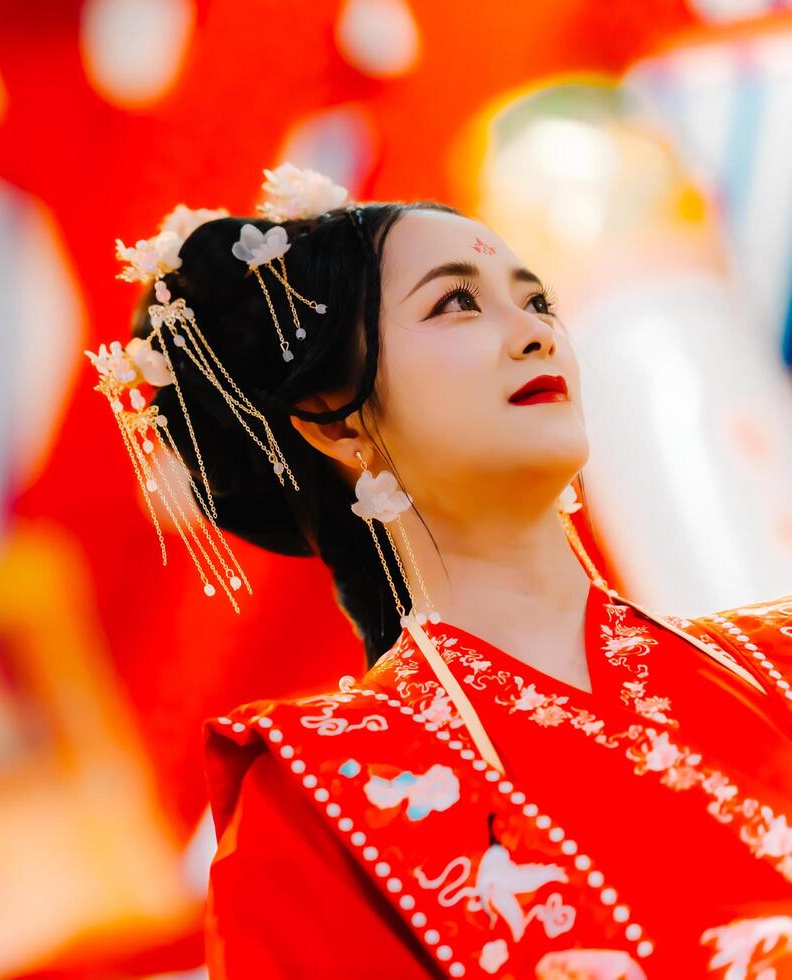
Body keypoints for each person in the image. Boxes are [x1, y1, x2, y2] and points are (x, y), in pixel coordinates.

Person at [86, 166, 792, 978]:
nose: (533, 334)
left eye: (537, 301)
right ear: (334, 422)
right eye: (455, 302)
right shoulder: (325, 798)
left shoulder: (774, 655)